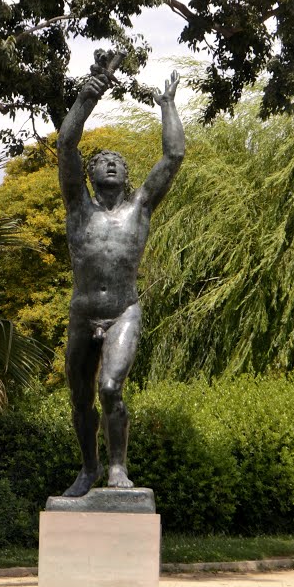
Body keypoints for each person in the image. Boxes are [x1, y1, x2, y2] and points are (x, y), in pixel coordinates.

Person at [57, 50, 185, 496]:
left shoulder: (140, 209)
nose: (109, 163)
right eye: (101, 161)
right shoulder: (79, 209)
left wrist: (167, 106)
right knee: (78, 398)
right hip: (82, 311)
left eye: (118, 161)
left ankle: (116, 467)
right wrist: (88, 96)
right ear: (89, 175)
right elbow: (65, 144)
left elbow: (173, 156)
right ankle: (87, 469)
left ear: (127, 176)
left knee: (110, 387)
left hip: (123, 311)